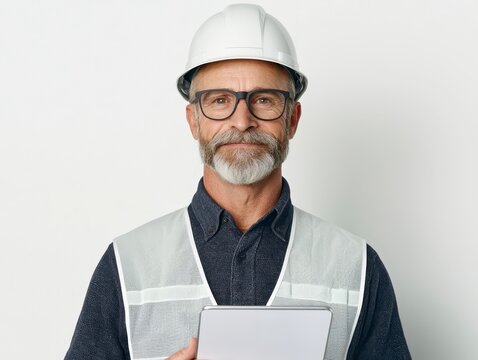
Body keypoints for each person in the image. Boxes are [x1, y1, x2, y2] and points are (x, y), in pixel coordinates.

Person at [65, 4, 411, 360]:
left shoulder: (356, 266)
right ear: (194, 120)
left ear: (292, 118)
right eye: (220, 100)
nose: (242, 120)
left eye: (264, 100)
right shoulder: (128, 265)